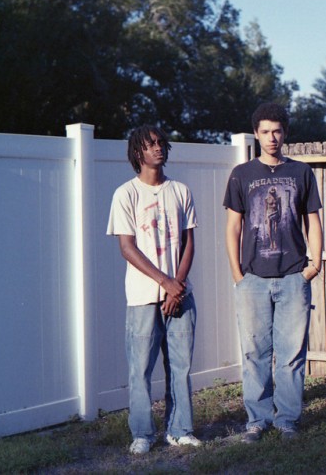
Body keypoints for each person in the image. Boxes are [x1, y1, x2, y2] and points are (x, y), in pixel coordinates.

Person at [223, 102, 323, 443]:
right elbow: (233, 226)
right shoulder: (242, 174)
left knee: (292, 353)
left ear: (285, 133)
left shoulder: (301, 172)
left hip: (294, 276)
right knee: (254, 353)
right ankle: (258, 419)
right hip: (252, 279)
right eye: (265, 131)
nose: (271, 137)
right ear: (256, 134)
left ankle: (287, 420)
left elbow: (313, 220)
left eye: (277, 131)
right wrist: (238, 274)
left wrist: (315, 264)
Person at [107, 125, 201, 454]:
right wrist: (165, 283)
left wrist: (178, 287)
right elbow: (127, 248)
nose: (158, 148)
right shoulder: (126, 194)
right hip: (143, 298)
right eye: (150, 145)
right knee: (140, 370)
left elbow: (189, 242)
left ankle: (180, 429)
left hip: (181, 296)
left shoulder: (181, 191)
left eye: (161, 143)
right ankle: (142, 434)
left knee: (181, 366)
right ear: (138, 153)